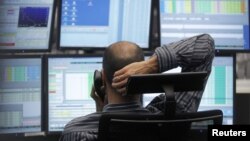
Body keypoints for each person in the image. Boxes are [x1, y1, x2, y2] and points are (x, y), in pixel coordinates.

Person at [59, 33, 215, 141]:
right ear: (145, 77)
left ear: (102, 78)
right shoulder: (172, 119)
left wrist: (100, 113)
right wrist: (152, 65)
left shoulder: (77, 132)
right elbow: (205, 45)